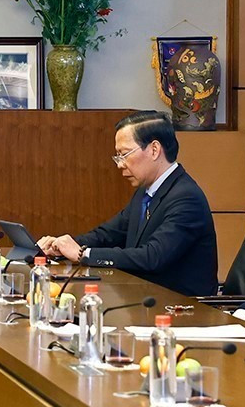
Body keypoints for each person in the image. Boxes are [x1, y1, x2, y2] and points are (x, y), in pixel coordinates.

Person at [37, 110, 219, 296]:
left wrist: (82, 254)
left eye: (124, 154)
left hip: (184, 311)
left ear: (154, 150)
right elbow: (108, 234)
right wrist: (62, 246)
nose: (119, 164)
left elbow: (152, 256)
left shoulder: (186, 198)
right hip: (145, 300)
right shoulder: (145, 192)